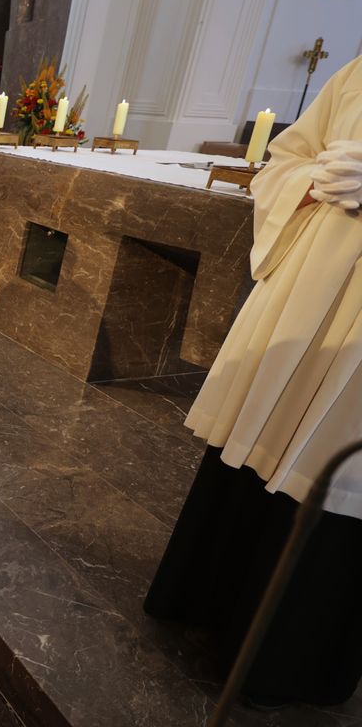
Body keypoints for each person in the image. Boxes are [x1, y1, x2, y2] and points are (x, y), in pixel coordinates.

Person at [144, 55, 362, 708]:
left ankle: (282, 663)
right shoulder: (357, 73)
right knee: (263, 443)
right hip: (306, 290)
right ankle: (210, 605)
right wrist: (316, 178)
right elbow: (283, 161)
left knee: (329, 467)